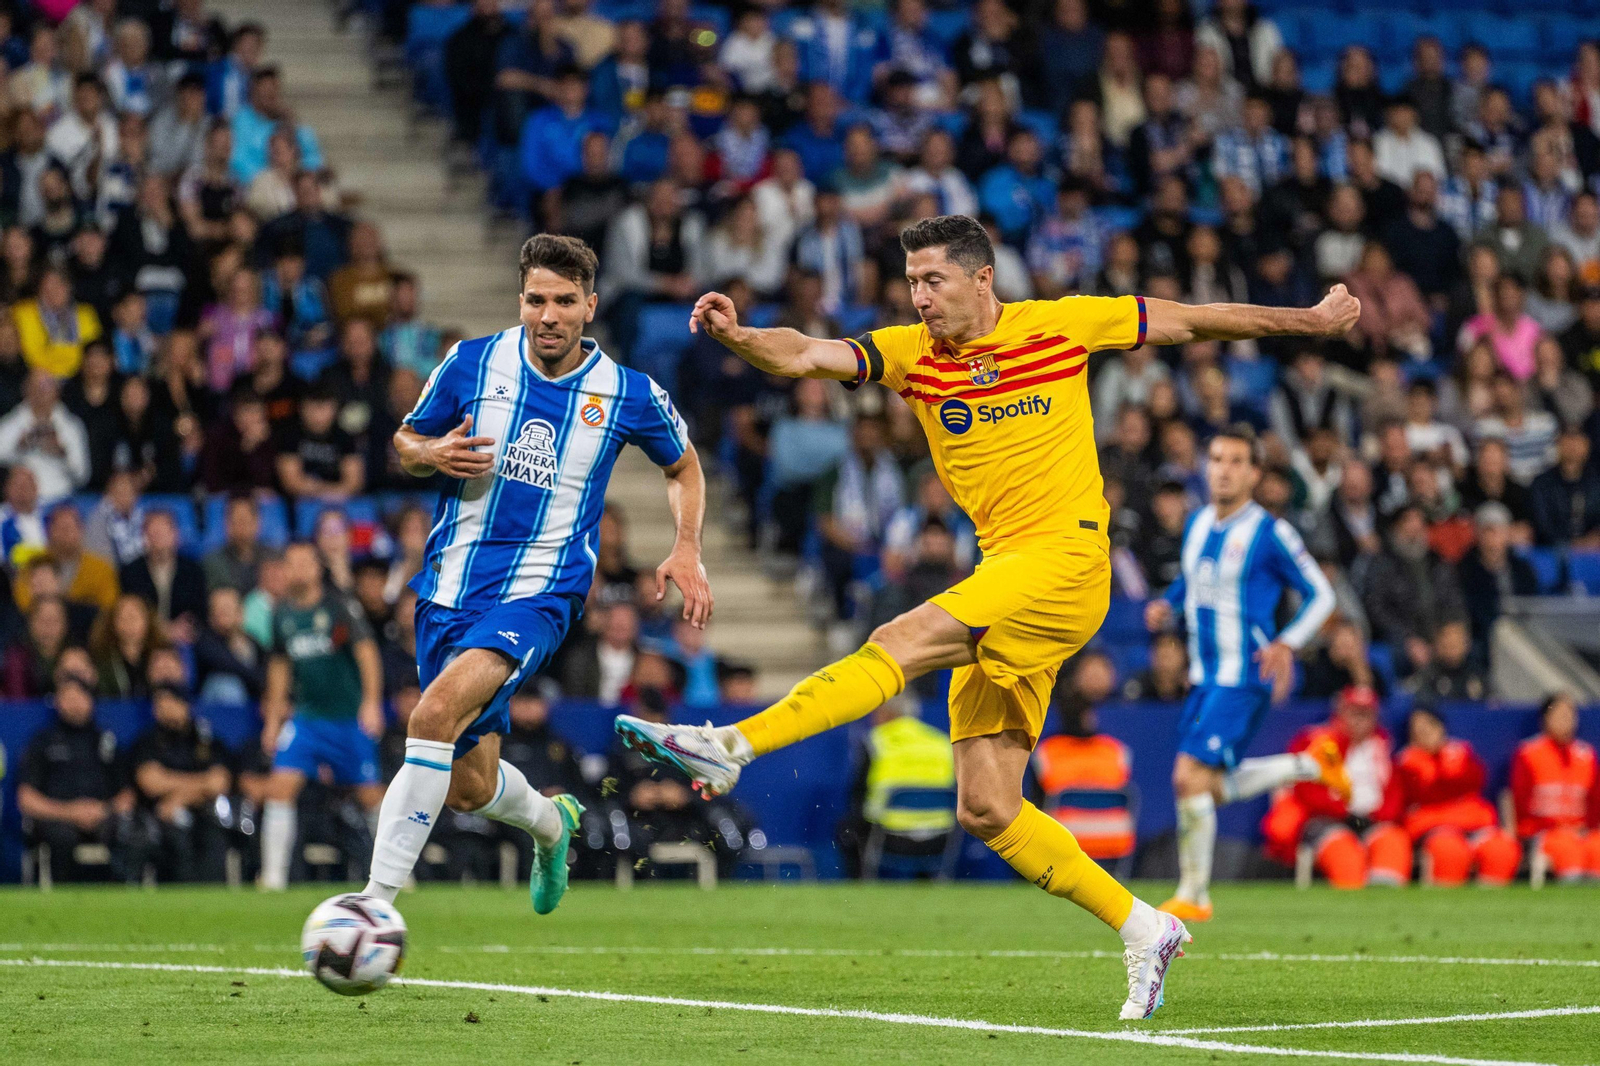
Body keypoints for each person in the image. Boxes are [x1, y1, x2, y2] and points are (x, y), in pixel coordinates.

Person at [615, 213, 1361, 1019]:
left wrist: (1310, 321)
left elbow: (1189, 319)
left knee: (896, 640)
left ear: (981, 278)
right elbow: (803, 352)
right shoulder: (911, 355)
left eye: (933, 280)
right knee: (987, 806)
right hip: (1006, 574)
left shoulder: (1060, 326)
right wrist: (738, 335)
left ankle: (732, 745)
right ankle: (1145, 926)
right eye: (910, 283)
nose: (919, 297)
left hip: (1068, 563)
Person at [360, 235, 711, 918]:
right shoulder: (470, 362)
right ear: (520, 300)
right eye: (535, 300)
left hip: (541, 594)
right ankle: (554, 825)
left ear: (590, 306)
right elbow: (404, 443)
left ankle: (373, 908)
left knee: (429, 715)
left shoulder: (626, 392)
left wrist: (688, 545)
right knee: (467, 785)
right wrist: (431, 450)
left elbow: (684, 465)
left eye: (563, 301)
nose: (547, 315)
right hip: (447, 589)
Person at [1143, 424, 1344, 923]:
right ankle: (1311, 766)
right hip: (1204, 675)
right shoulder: (1196, 523)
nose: (1223, 470)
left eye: (1236, 461)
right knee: (1208, 785)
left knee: (1187, 777)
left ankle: (1195, 894)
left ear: (1255, 473)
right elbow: (1194, 580)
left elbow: (1323, 595)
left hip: (1243, 674)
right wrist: (1166, 606)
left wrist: (1287, 642)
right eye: (1215, 459)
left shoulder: (1270, 532)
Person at [257, 541, 385, 891]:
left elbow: (367, 653)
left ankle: (398, 873)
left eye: (304, 562)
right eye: (291, 562)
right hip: (307, 719)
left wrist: (371, 703)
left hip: (347, 719)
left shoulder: (339, 605)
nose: (297, 569)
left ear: (318, 568)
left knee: (371, 797)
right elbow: (280, 668)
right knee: (280, 787)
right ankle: (272, 878)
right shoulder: (281, 613)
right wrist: (272, 721)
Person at [1262, 685, 1410, 888]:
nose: (1359, 720)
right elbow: (1305, 789)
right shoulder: (1316, 741)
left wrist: (1379, 816)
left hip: (1371, 820)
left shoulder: (1382, 747)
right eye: (1354, 713)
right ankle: (1353, 910)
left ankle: (1384, 907)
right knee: (1344, 854)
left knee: (1394, 842)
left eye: (1365, 714)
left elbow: (1394, 792)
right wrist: (1343, 811)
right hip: (1325, 819)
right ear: (1341, 712)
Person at [17, 667, 134, 882]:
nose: (74, 702)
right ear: (57, 701)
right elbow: (26, 798)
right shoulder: (42, 742)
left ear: (90, 699)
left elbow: (127, 796)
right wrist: (70, 812)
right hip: (58, 819)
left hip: (102, 816)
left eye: (79, 695)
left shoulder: (107, 740)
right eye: (67, 696)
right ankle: (61, 901)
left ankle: (123, 896)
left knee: (129, 830)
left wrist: (103, 810)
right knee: (61, 836)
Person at [1395, 707, 1521, 887]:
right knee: (1450, 852)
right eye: (1418, 728)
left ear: (1440, 727)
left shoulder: (1460, 750)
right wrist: (1448, 779)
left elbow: (1476, 778)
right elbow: (1423, 793)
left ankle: (1492, 909)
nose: (1424, 732)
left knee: (1501, 850)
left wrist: (1441, 777)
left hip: (1474, 821)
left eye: (1429, 725)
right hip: (1435, 825)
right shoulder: (1406, 760)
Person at [128, 683, 233, 882]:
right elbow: (151, 783)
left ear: (186, 705)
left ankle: (214, 899)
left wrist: (178, 797)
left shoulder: (206, 740)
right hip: (159, 816)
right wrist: (201, 783)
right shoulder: (147, 742)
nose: (165, 708)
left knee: (215, 832)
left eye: (171, 702)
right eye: (159, 704)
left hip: (202, 812)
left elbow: (219, 783)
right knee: (175, 834)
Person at [1510, 693, 1600, 882]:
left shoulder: (1586, 755)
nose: (1565, 720)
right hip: (1544, 832)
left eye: (1569, 715)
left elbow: (1595, 801)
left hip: (1581, 831)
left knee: (1597, 847)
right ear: (1545, 719)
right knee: (1568, 850)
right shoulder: (1529, 752)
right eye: (1559, 714)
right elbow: (1520, 801)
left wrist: (1586, 829)